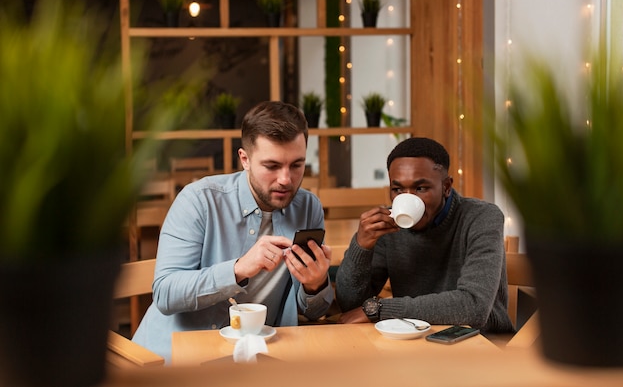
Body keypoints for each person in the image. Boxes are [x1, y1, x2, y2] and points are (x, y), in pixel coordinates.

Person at [133, 101, 335, 362]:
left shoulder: (308, 208)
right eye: (272, 166)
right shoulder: (199, 200)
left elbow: (314, 310)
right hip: (172, 363)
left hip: (257, 362)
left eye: (297, 165)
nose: (286, 179)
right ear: (245, 160)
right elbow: (165, 293)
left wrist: (315, 285)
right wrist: (238, 269)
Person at [335, 137, 514, 335]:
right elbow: (351, 306)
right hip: (414, 341)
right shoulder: (387, 226)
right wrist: (361, 247)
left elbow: (474, 307)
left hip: (485, 346)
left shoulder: (481, 217)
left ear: (446, 187)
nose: (407, 197)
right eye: (398, 189)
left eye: (420, 188)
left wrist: (382, 310)